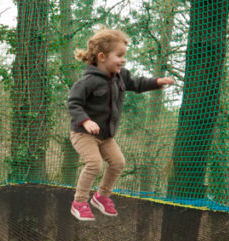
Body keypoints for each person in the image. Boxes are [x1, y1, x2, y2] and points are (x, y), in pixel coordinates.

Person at [67, 27, 174, 221]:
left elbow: (138, 83)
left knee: (118, 163)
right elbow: (73, 103)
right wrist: (86, 121)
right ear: (102, 57)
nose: (123, 60)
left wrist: (158, 81)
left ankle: (101, 196)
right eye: (119, 55)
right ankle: (79, 202)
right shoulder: (87, 81)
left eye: (124, 55)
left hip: (105, 136)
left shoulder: (120, 76)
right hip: (83, 134)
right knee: (94, 164)